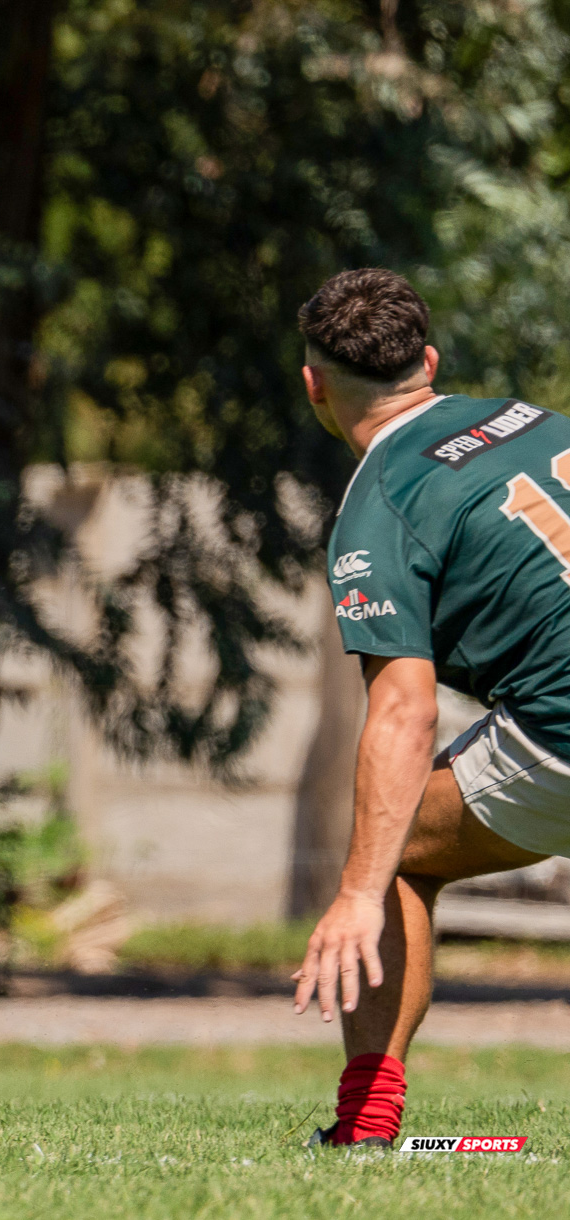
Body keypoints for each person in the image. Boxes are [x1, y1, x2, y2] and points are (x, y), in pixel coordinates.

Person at [294, 268, 570, 1147]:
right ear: (430, 360)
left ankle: (366, 1124)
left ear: (316, 387)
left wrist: (356, 895)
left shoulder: (379, 505)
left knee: (401, 853)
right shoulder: (537, 420)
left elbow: (406, 716)